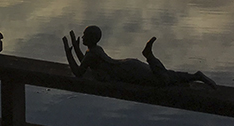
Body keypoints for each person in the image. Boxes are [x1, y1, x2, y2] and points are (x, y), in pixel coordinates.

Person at [62, 25, 216, 89]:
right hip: (128, 65)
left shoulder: (92, 53)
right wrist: (74, 49)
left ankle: (149, 55)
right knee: (166, 76)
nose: (82, 38)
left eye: (84, 36)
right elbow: (85, 64)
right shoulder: (95, 50)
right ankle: (196, 76)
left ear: (90, 38)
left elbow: (78, 72)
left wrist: (68, 53)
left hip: (127, 71)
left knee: (163, 80)